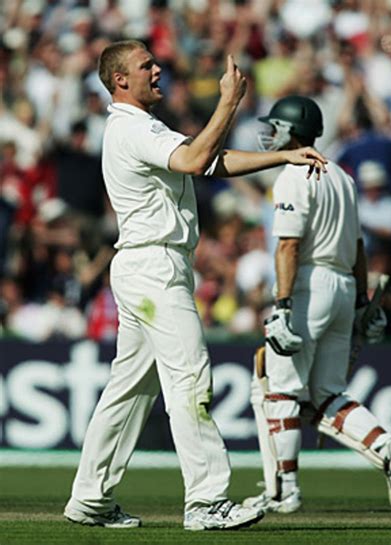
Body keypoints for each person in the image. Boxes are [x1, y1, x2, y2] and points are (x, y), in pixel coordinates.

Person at [63, 40, 327, 532]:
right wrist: (229, 102)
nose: (158, 69)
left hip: (148, 266)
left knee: (129, 391)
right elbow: (193, 160)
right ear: (120, 80)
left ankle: (90, 497)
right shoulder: (133, 128)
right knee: (190, 378)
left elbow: (208, 160)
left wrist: (283, 158)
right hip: (154, 267)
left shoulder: (142, 127)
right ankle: (206, 501)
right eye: (146, 65)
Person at [243, 95, 391, 514]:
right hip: (341, 287)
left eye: (276, 127)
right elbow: (358, 248)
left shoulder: (293, 174)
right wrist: (359, 300)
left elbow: (288, 245)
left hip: (308, 285)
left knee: (279, 390)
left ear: (292, 132)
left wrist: (282, 305)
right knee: (327, 394)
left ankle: (283, 491)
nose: (270, 135)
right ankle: (386, 448)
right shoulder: (343, 177)